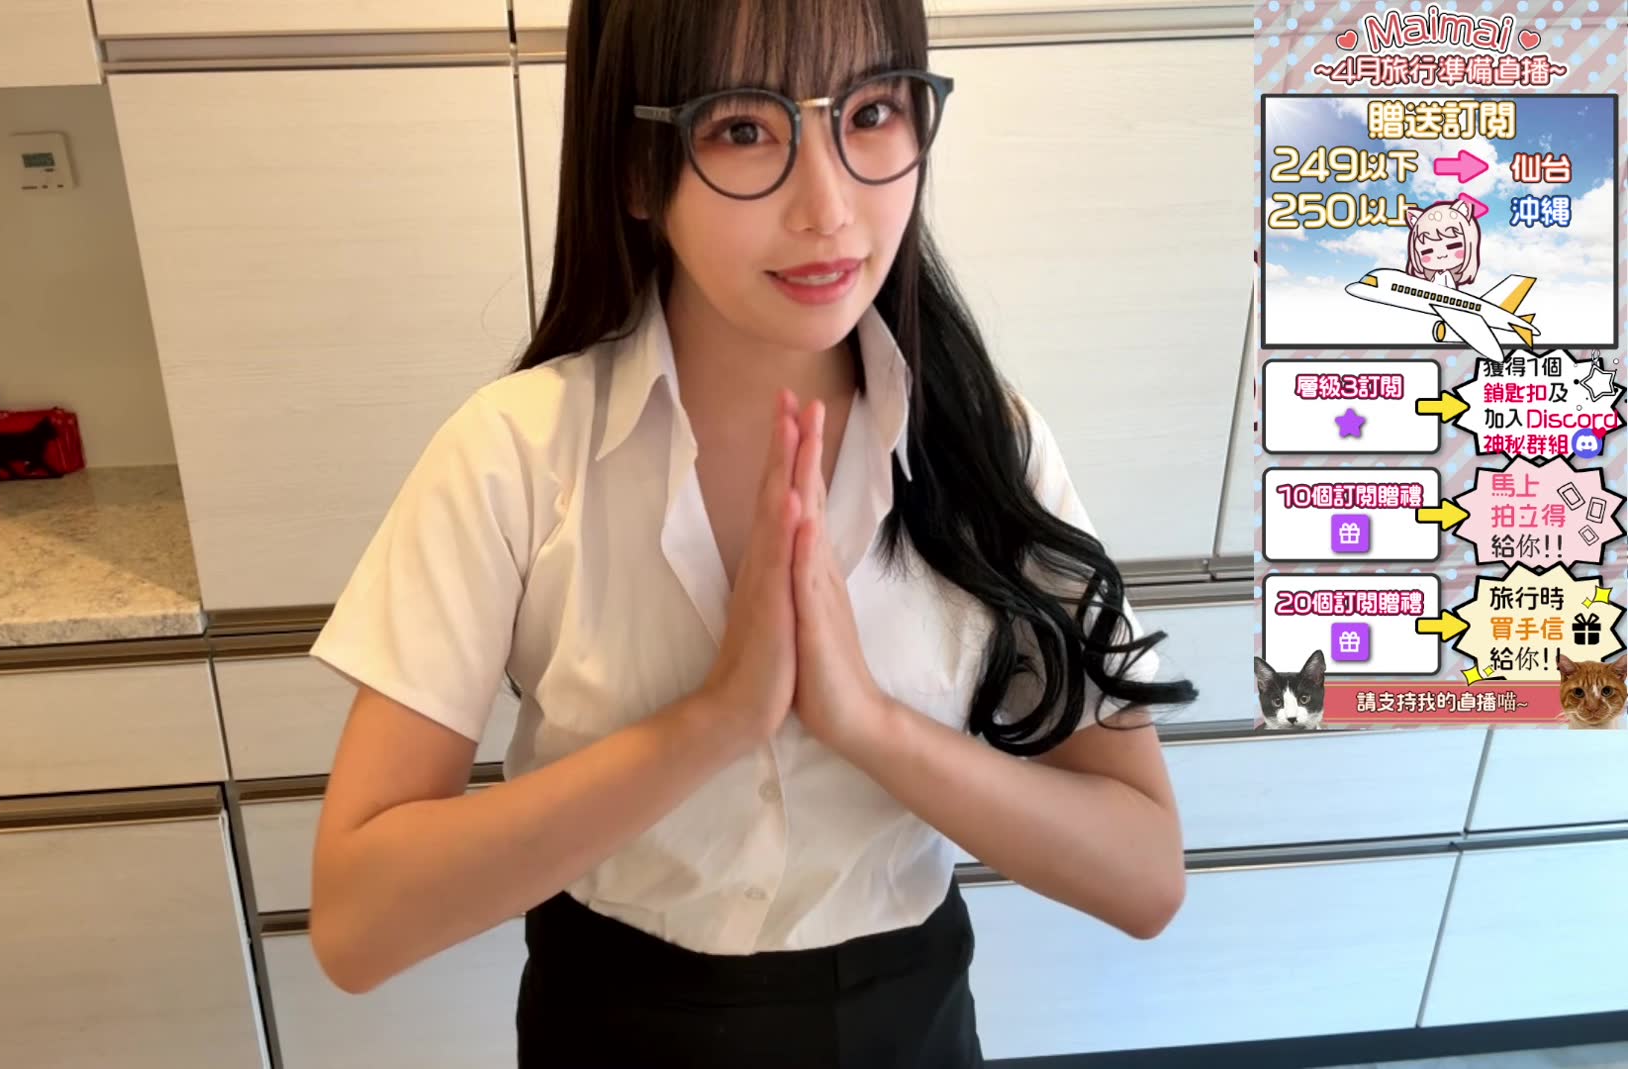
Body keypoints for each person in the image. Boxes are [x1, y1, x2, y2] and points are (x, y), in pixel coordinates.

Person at [305, 0, 1199, 1065]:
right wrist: (714, 721)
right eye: (743, 128)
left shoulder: (987, 447)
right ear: (636, 170)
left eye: (871, 113)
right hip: (610, 1021)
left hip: (904, 1023)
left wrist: (868, 723)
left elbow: (1146, 873)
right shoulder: (514, 453)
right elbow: (357, 924)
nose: (828, 208)